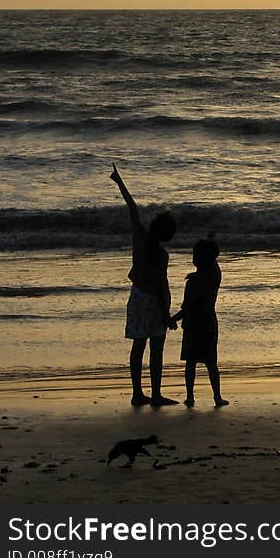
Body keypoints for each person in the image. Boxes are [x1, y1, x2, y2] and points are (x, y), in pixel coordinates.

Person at [110, 163, 178, 407]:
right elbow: (160, 287)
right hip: (154, 303)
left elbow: (133, 209)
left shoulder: (139, 238)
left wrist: (119, 182)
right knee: (156, 349)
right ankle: (156, 394)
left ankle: (137, 393)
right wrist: (167, 315)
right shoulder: (161, 255)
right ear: (168, 236)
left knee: (139, 345)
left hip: (137, 298)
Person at [171, 235, 228, 407]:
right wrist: (211, 241)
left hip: (194, 324)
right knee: (211, 363)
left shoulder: (194, 282)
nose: (192, 257)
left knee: (191, 362)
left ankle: (190, 396)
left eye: (195, 254)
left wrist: (172, 319)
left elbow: (188, 308)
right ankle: (217, 396)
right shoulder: (215, 276)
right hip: (209, 322)